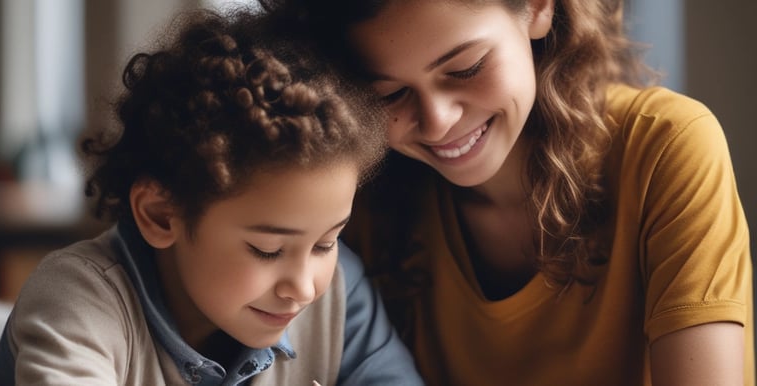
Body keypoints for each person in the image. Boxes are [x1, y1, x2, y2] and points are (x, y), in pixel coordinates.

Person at [257, 0, 755, 385]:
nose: (437, 121)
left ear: (537, 7)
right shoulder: (354, 200)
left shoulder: (665, 148)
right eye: (389, 94)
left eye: (466, 67)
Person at [0, 7, 425, 386]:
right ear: (161, 215)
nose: (305, 287)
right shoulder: (77, 298)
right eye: (268, 250)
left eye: (326, 242)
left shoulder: (337, 292)